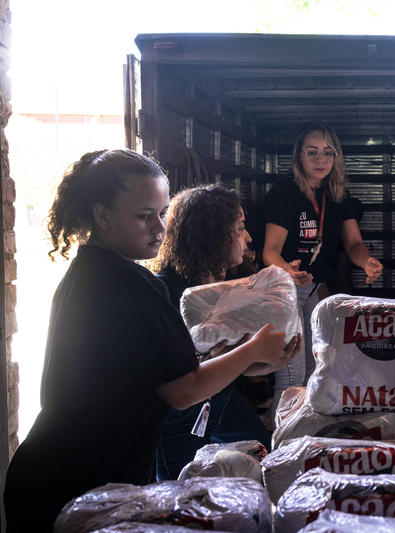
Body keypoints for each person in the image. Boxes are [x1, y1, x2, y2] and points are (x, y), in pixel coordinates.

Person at [3, 149, 299, 532]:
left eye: (162, 214)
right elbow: (183, 390)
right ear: (102, 215)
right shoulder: (132, 284)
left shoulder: (89, 271)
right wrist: (254, 349)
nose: (159, 228)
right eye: (144, 217)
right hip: (75, 486)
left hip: (58, 477)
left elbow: (165, 369)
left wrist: (254, 358)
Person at [150, 185, 273, 479]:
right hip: (178, 417)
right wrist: (253, 349)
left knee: (264, 458)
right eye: (240, 228)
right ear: (213, 234)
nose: (249, 237)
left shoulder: (220, 284)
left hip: (219, 398)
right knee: (181, 492)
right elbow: (182, 381)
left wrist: (271, 356)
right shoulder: (166, 292)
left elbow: (223, 357)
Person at [262, 123, 383, 416]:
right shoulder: (285, 192)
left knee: (317, 367)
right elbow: (269, 252)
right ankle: (283, 441)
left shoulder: (337, 194)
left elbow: (354, 243)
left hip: (315, 288)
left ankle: (304, 432)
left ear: (337, 157)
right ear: (299, 157)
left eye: (328, 153)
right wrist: (287, 271)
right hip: (286, 289)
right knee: (292, 372)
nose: (320, 160)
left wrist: (366, 261)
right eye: (312, 152)